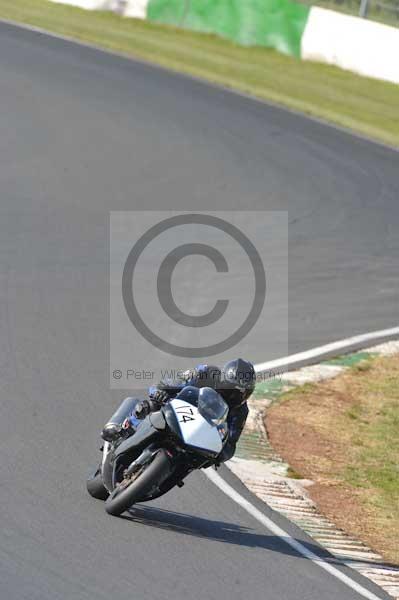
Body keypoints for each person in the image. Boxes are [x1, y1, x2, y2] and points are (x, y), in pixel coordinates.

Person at [102, 359, 256, 464]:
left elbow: (231, 443)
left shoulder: (241, 411)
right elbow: (172, 381)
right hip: (174, 410)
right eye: (230, 390)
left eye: (240, 394)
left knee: (198, 461)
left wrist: (220, 456)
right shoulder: (206, 372)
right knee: (150, 404)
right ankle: (123, 428)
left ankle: (161, 477)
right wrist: (160, 392)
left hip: (197, 435)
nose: (232, 396)